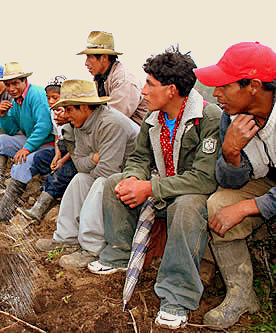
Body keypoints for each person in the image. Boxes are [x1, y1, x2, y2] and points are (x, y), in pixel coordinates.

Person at [88, 47, 222, 329]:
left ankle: (177, 294)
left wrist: (149, 187)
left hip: (191, 196)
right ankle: (120, 254)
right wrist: (135, 178)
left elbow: (204, 179)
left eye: (150, 84)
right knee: (116, 182)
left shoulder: (208, 118)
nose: (144, 91)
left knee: (186, 206)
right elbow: (138, 158)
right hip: (161, 190)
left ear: (171, 90)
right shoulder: (153, 119)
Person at [194, 42, 276, 330]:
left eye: (223, 86)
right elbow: (229, 181)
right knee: (218, 203)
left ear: (253, 85)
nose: (215, 94)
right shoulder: (230, 116)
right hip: (267, 182)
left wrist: (250, 206)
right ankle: (241, 295)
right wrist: (231, 152)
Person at [35, 79, 139, 268]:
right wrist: (94, 158)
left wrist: (92, 162)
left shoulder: (110, 123)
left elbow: (108, 171)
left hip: (133, 176)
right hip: (108, 171)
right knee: (80, 180)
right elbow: (81, 166)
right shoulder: (78, 125)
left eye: (69, 110)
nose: (65, 115)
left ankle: (92, 248)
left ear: (84, 107)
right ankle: (66, 237)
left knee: (100, 184)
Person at [0, 62, 54, 225]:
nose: (12, 88)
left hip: (48, 145)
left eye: (15, 83)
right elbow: (12, 130)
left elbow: (44, 126)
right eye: (8, 84)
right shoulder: (15, 101)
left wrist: (26, 148)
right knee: (2, 139)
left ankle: (5, 210)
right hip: (33, 140)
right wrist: (4, 115)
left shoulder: (36, 94)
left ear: (24, 81)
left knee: (23, 161)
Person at [17, 75, 78, 222]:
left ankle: (39, 209)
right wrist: (57, 156)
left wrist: (62, 161)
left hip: (76, 154)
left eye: (55, 97)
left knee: (62, 173)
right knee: (40, 157)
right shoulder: (53, 113)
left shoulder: (74, 112)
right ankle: (20, 193)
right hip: (63, 150)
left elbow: (78, 146)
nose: (50, 101)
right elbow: (58, 137)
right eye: (48, 98)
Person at [78, 31, 147, 125]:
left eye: (90, 57)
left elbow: (114, 120)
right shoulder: (100, 79)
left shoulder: (124, 80)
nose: (86, 63)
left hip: (133, 135)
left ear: (104, 58)